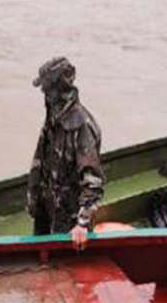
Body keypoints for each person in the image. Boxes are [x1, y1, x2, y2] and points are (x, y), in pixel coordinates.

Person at [26, 57, 105, 250]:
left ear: (57, 89)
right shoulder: (53, 118)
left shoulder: (81, 126)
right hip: (46, 209)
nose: (43, 93)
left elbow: (93, 181)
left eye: (46, 88)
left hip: (68, 221)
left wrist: (82, 224)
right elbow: (41, 161)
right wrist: (33, 199)